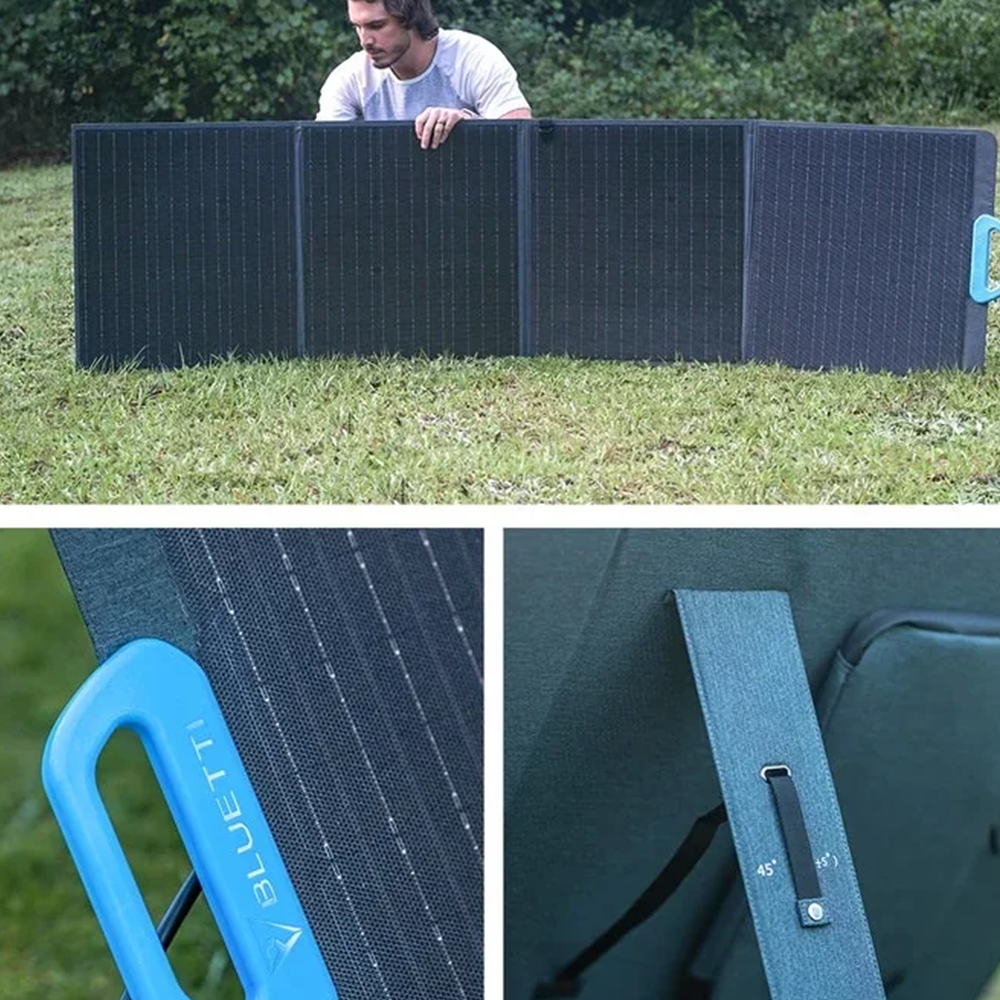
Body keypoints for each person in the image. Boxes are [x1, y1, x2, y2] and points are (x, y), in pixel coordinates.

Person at [316, 0, 532, 149]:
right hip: (389, 204)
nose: (365, 41)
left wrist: (468, 124)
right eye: (358, 27)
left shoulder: (474, 58)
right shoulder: (348, 78)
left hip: (473, 202)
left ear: (409, 17)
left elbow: (523, 139)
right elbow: (322, 156)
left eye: (376, 25)